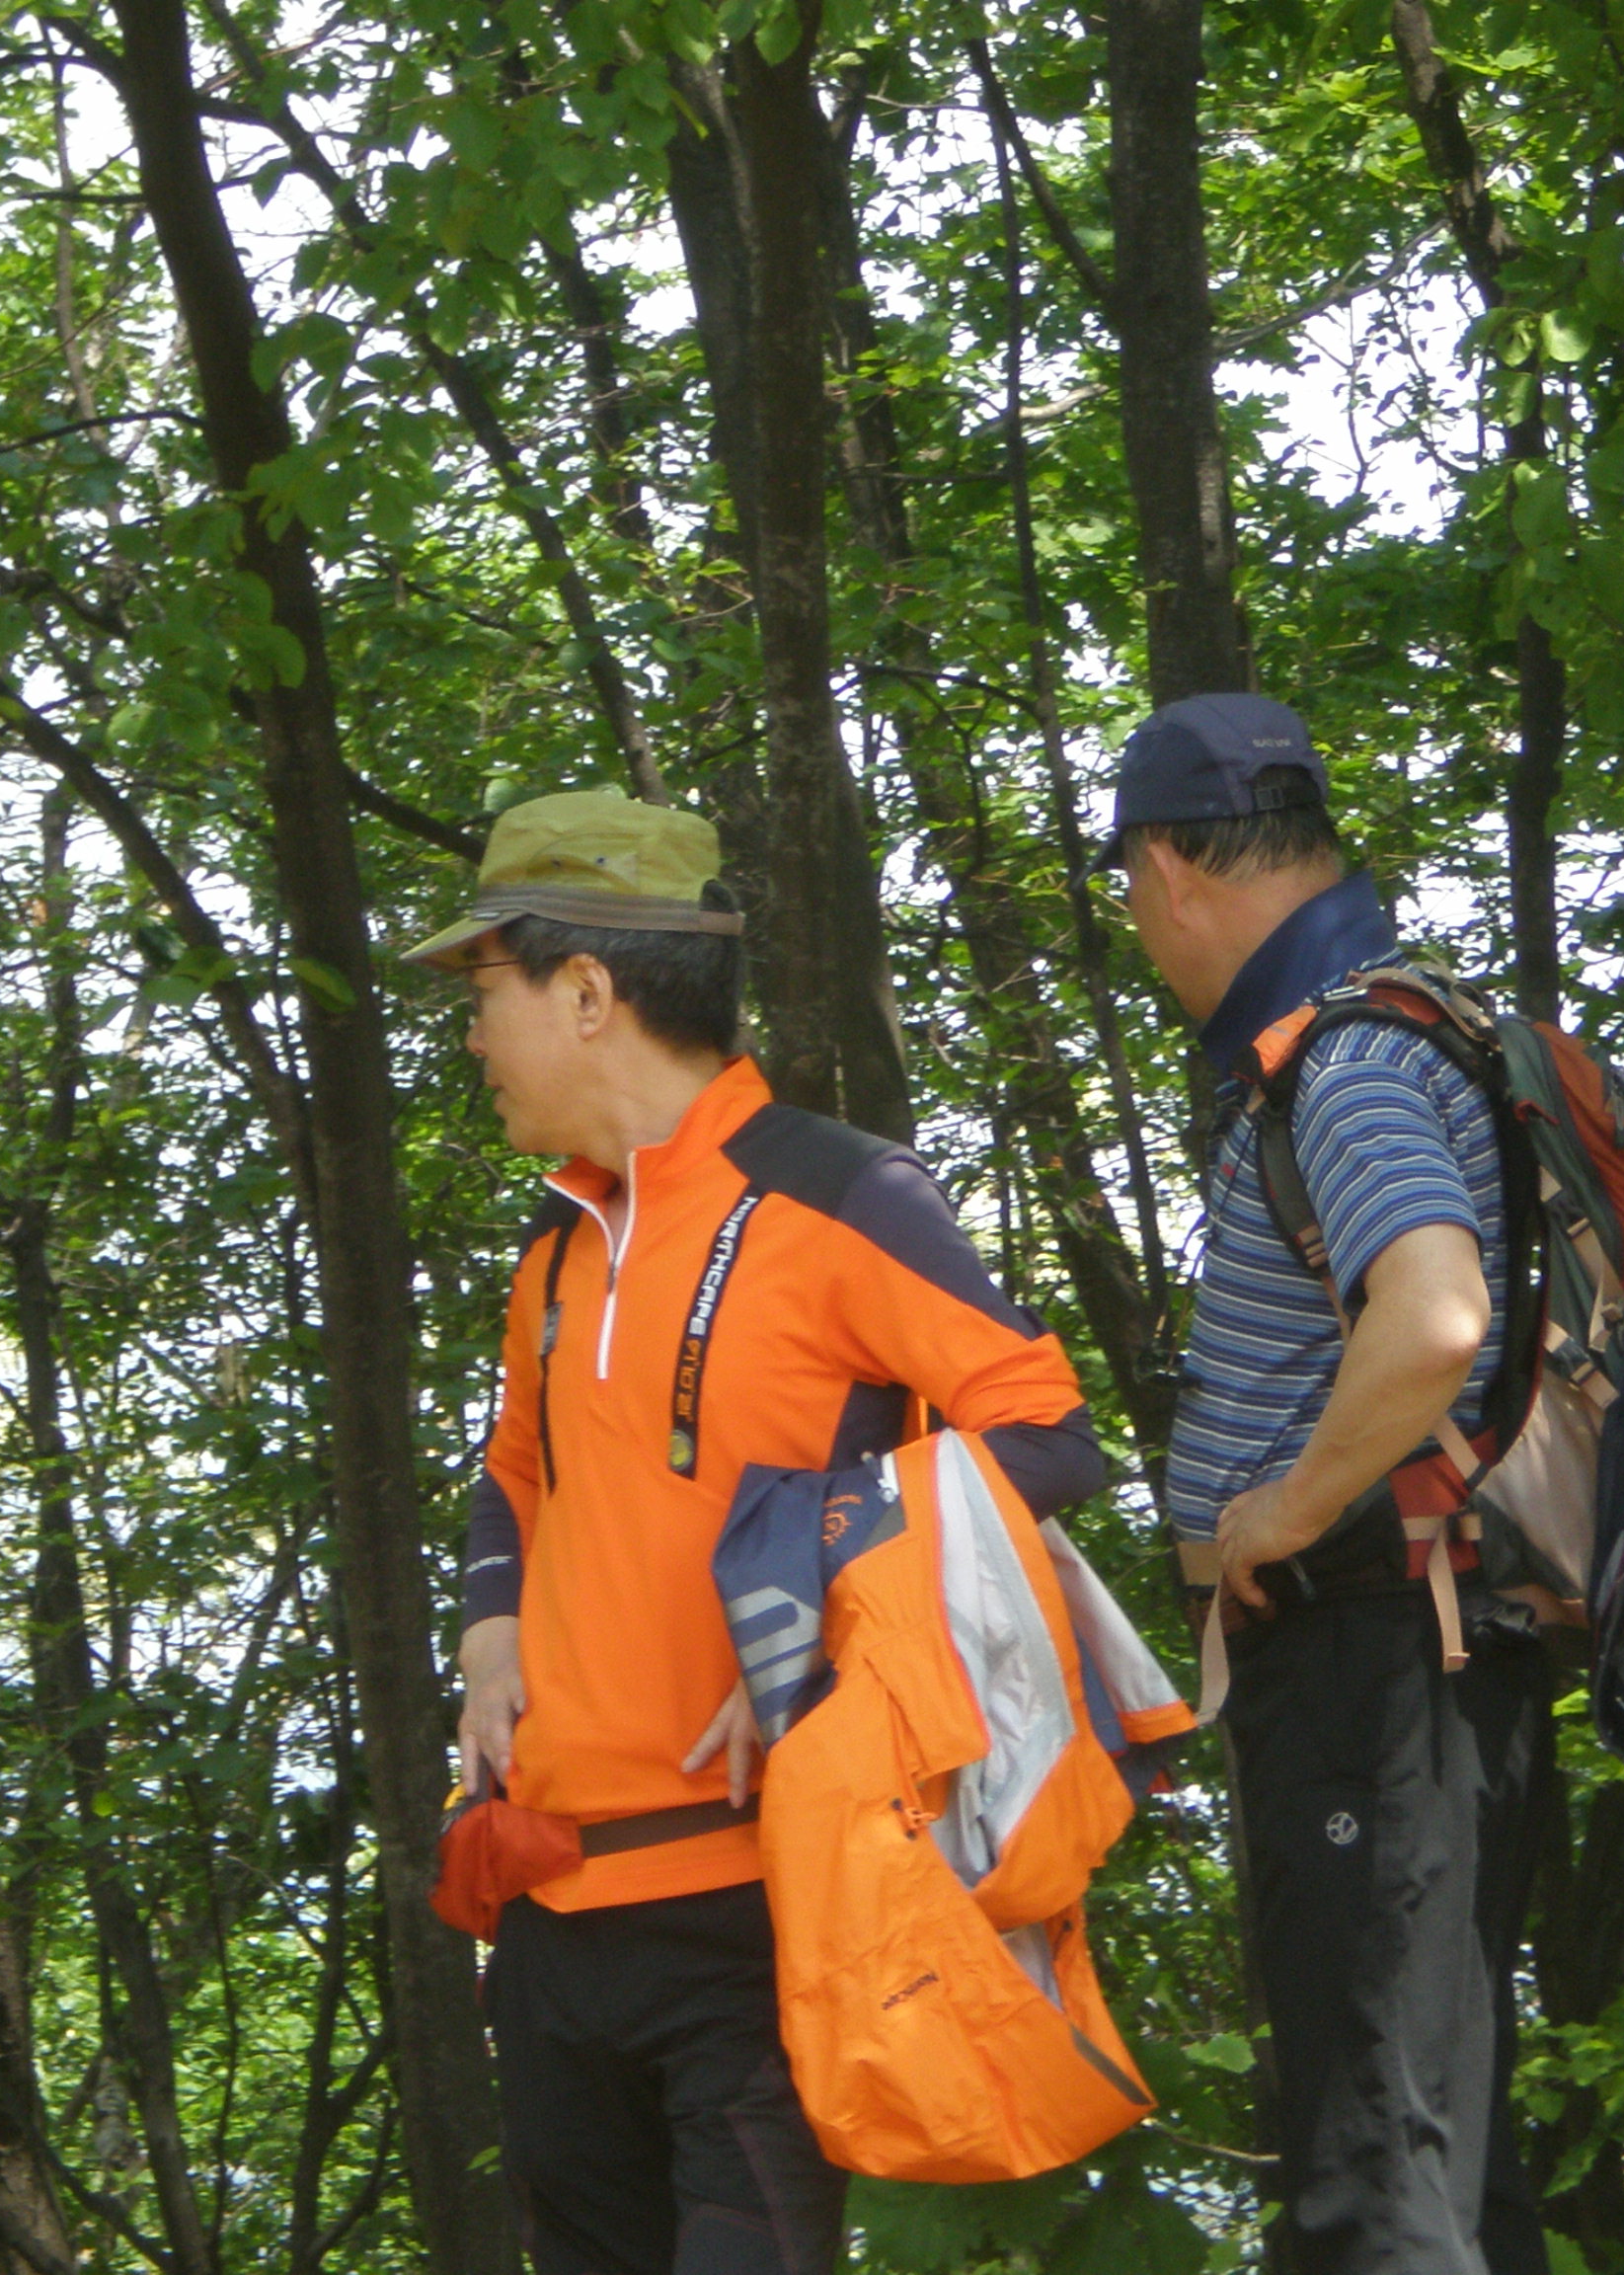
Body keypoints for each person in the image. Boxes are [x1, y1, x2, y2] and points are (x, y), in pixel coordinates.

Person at [406, 788, 1109, 2275]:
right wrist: (488, 1628)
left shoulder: (839, 1193)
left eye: (483, 989)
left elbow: (1046, 1430)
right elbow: (514, 1469)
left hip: (764, 1908)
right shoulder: (556, 1245)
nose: (470, 1036)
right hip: (550, 1915)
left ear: (584, 991)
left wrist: (824, 1602)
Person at [1107, 695, 1550, 2275]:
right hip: (1427, 1663)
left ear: (1169, 866)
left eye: (1126, 882)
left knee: (1371, 2176)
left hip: (1373, 1659)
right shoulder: (1407, 1023)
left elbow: (1433, 1318)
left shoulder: (1346, 1059)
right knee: (1445, 2166)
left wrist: (1282, 1516)